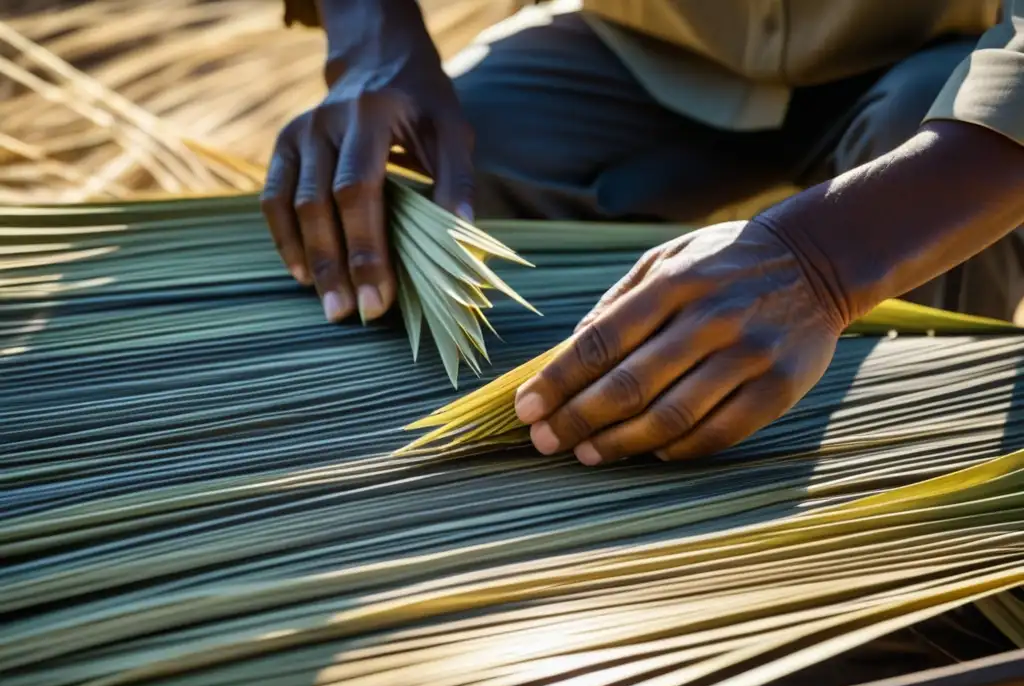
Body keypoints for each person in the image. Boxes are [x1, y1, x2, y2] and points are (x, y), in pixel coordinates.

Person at [264, 0, 1024, 465]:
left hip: (933, 65)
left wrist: (822, 264)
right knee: (461, 153)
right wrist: (372, 48)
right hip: (639, 46)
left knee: (933, 161)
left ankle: (907, 493)